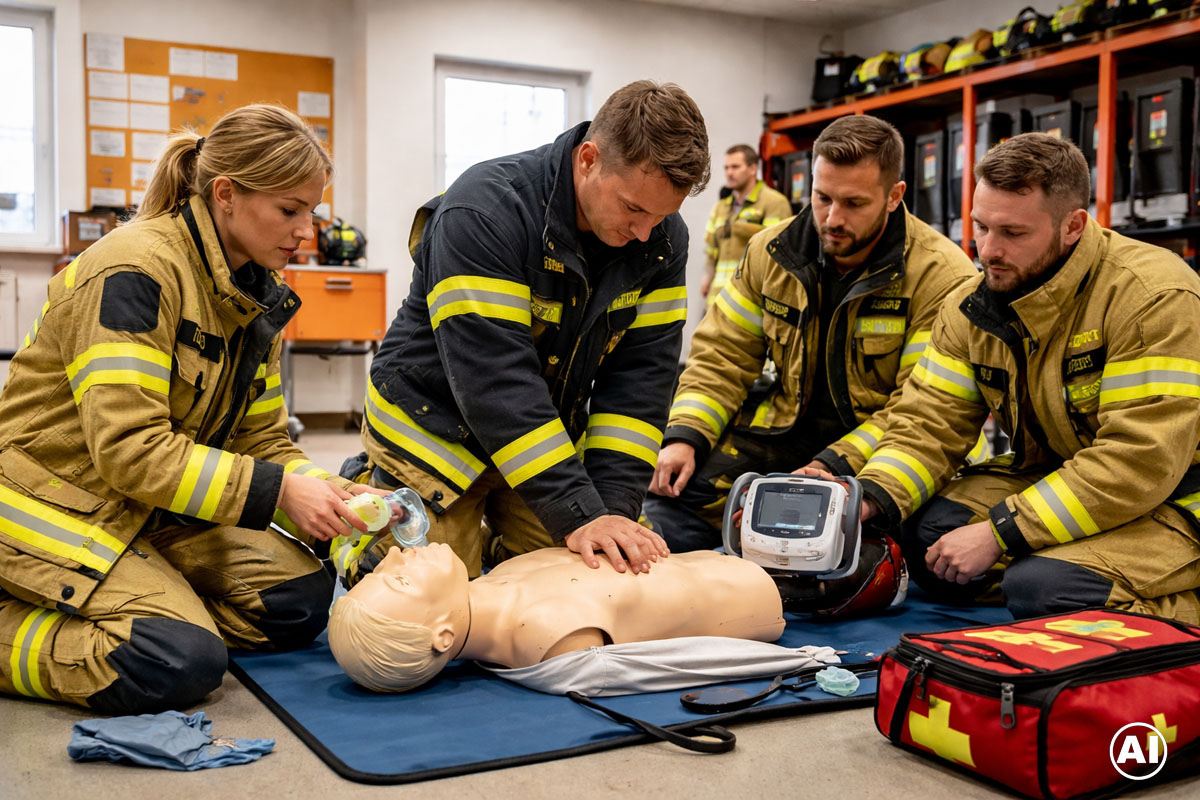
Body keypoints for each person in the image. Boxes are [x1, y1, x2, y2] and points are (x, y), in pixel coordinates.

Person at [0, 104, 385, 713]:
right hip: (48, 505)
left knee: (298, 602)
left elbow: (263, 442)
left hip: (145, 508)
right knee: (174, 661)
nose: (306, 231)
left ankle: (147, 605)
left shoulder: (255, 293)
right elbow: (131, 452)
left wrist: (331, 495)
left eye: (312, 211)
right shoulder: (134, 272)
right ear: (226, 194)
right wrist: (281, 492)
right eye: (290, 210)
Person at [339, 80, 710, 584]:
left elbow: (641, 382)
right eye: (634, 209)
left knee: (603, 582)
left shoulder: (661, 239)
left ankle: (499, 545)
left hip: (542, 436)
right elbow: (495, 384)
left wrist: (611, 512)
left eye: (663, 215)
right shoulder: (484, 212)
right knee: (429, 599)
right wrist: (576, 512)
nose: (645, 232)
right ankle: (362, 528)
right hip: (435, 430)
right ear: (588, 160)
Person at [851, 132, 1200, 622]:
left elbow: (1139, 461)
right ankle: (1075, 571)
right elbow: (929, 424)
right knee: (926, 539)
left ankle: (1097, 585)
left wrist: (1001, 533)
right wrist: (868, 498)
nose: (988, 250)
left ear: (1073, 226)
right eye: (981, 227)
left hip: (1178, 495)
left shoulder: (1151, 297)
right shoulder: (972, 305)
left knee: (1045, 590)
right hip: (1073, 478)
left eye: (1013, 233)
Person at [645, 115, 979, 551]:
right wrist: (684, 437)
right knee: (669, 503)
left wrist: (829, 466)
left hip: (881, 446)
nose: (833, 218)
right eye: (822, 198)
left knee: (887, 541)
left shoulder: (941, 276)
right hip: (783, 433)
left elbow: (916, 411)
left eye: (854, 203)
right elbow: (721, 358)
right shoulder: (771, 251)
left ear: (894, 196)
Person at [327, 542, 785, 693]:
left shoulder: (495, 580)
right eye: (399, 580)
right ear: (443, 636)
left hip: (713, 558)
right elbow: (673, 663)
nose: (394, 555)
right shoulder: (547, 633)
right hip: (754, 596)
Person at [701, 144, 792, 302]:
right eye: (726, 168)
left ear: (753, 169)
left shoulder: (774, 202)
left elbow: (777, 251)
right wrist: (707, 279)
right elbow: (711, 251)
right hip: (718, 297)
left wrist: (742, 228)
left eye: (735, 167)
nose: (729, 173)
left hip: (751, 297)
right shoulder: (720, 207)